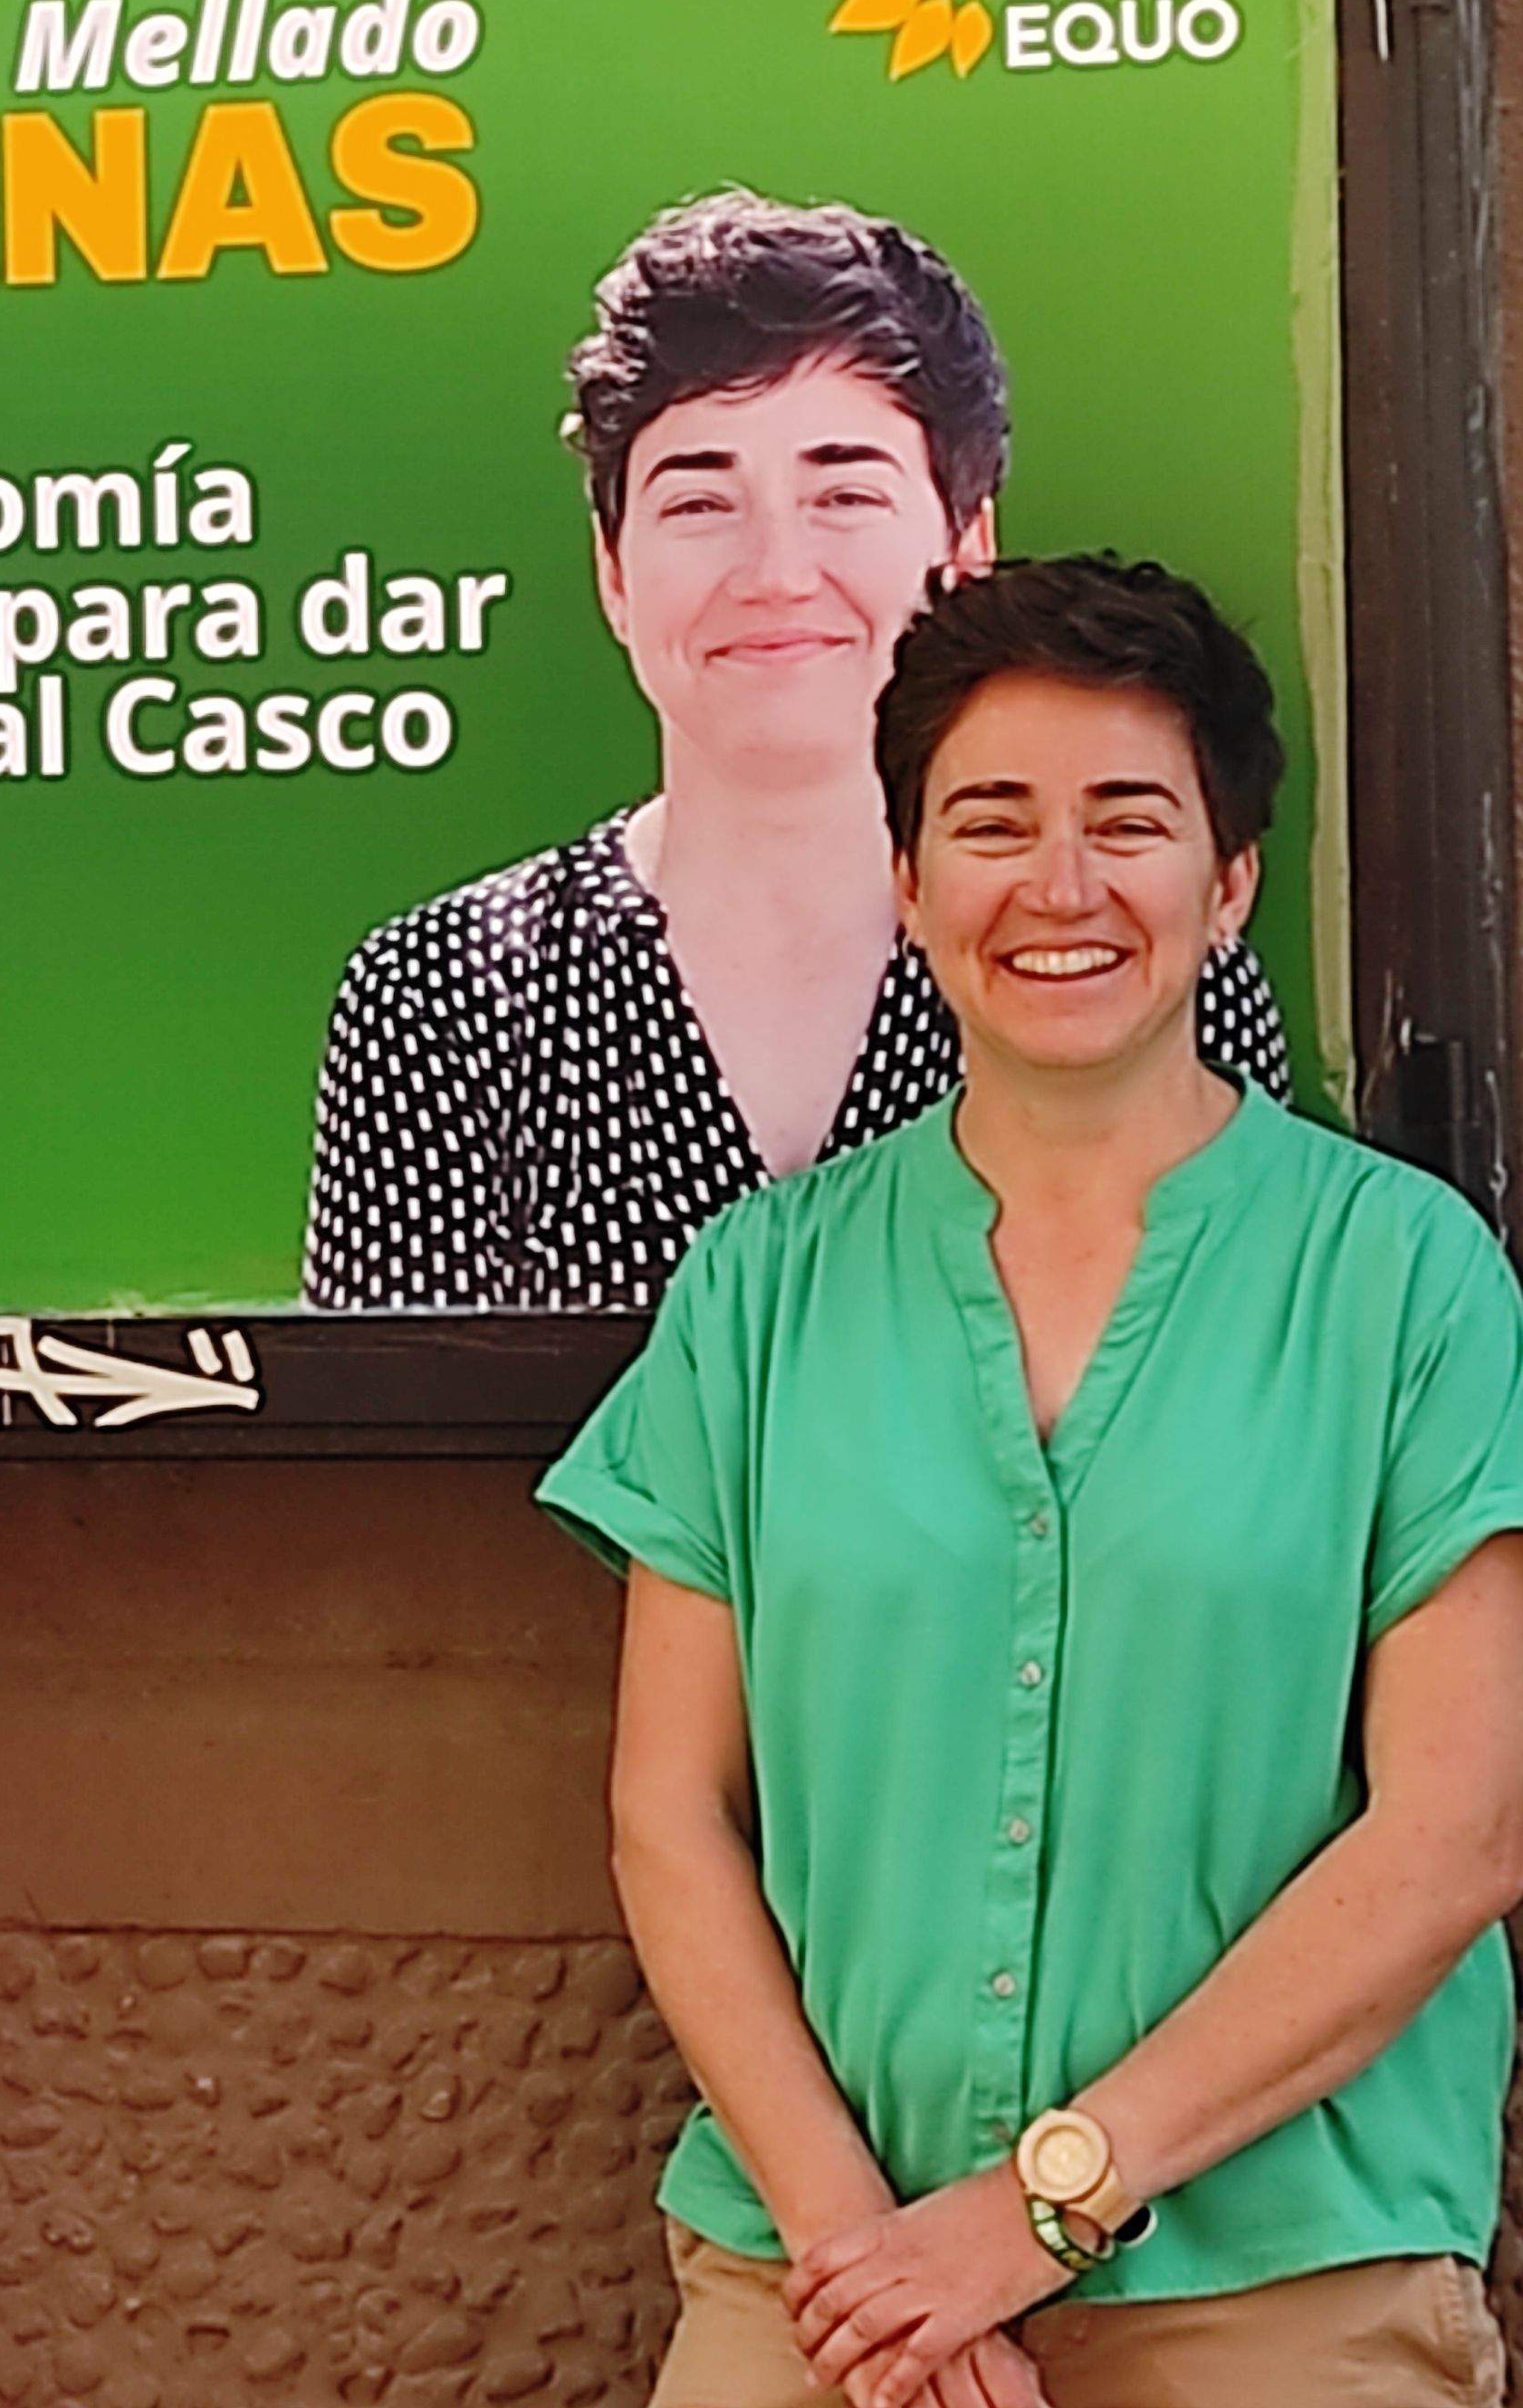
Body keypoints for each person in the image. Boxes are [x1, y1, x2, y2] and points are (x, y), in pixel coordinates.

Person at [541, 556, 1523, 2408]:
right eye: (990, 822)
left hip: (1275, 2279)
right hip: (814, 2280)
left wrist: (1030, 2210)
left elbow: (1457, 1828)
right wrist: (871, 2260)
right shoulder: (760, 1289)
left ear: (1228, 882)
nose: (1056, 886)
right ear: (906, 880)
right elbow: (667, 1813)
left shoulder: (1406, 1278)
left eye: (1128, 821)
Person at [304, 193, 1289, 1312]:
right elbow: (385, 1471)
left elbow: (1216, 1402)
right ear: (612, 569)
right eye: (700, 500)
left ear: (965, 544)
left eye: (842, 492)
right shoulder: (441, 997)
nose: (775, 570)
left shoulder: (1110, 956)